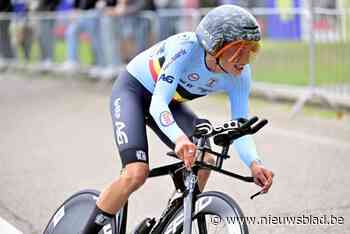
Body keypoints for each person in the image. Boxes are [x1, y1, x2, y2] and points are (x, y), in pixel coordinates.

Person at [81, 5, 274, 234]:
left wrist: (254, 163)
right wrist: (180, 138)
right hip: (133, 91)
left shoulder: (240, 74)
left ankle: (174, 222)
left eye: (251, 50)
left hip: (167, 101)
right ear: (215, 47)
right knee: (136, 173)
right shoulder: (185, 49)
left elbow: (240, 126)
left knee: (205, 159)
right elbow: (158, 103)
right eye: (238, 50)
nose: (245, 59)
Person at [36, 0, 61, 69]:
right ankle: (43, 60)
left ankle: (49, 60)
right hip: (41, 14)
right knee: (41, 37)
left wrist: (49, 9)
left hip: (48, 14)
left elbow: (56, 2)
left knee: (48, 38)